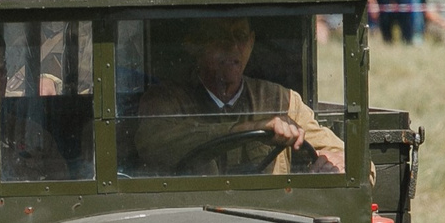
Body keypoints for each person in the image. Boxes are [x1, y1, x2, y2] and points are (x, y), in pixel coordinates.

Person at [122, 15, 346, 175]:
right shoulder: (166, 101)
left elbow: (344, 155)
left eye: (240, 36)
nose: (232, 46)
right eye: (218, 36)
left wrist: (335, 159)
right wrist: (251, 128)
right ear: (193, 44)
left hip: (272, 217)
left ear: (251, 42)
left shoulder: (280, 100)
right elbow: (155, 145)